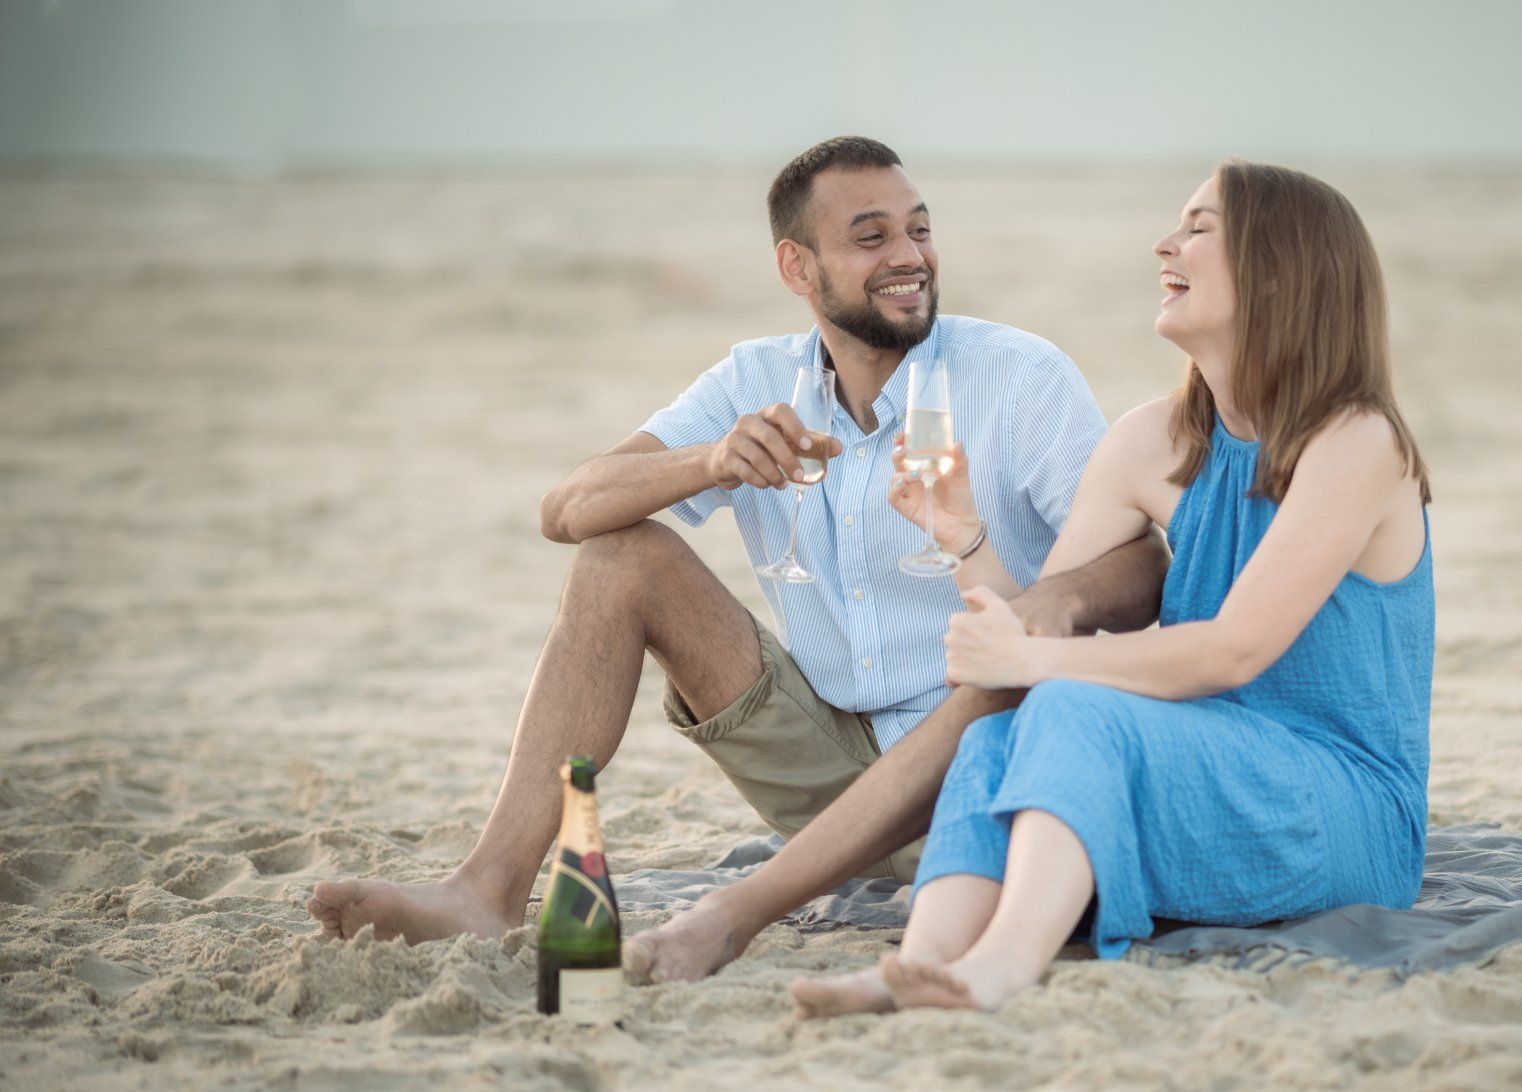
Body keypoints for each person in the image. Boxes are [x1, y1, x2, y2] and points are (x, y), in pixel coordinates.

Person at [305, 136, 1169, 950]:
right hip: (818, 753)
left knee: (990, 689)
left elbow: (1140, 562)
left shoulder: (1019, 377)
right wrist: (711, 460)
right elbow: (565, 506)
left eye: (920, 229)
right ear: (798, 266)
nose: (909, 256)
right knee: (619, 556)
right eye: (871, 238)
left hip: (978, 758)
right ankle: (486, 891)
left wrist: (1030, 616)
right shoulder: (756, 380)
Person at [790, 161, 1434, 1018]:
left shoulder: (1357, 440)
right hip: (1202, 762)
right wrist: (965, 537)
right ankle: (919, 963)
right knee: (1001, 736)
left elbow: (1235, 648)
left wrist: (1031, 655)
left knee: (1068, 705)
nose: (1165, 244)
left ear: (1280, 271)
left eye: (1200, 228)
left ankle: (1004, 966)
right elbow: (1038, 632)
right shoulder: (1150, 440)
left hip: (1346, 803)